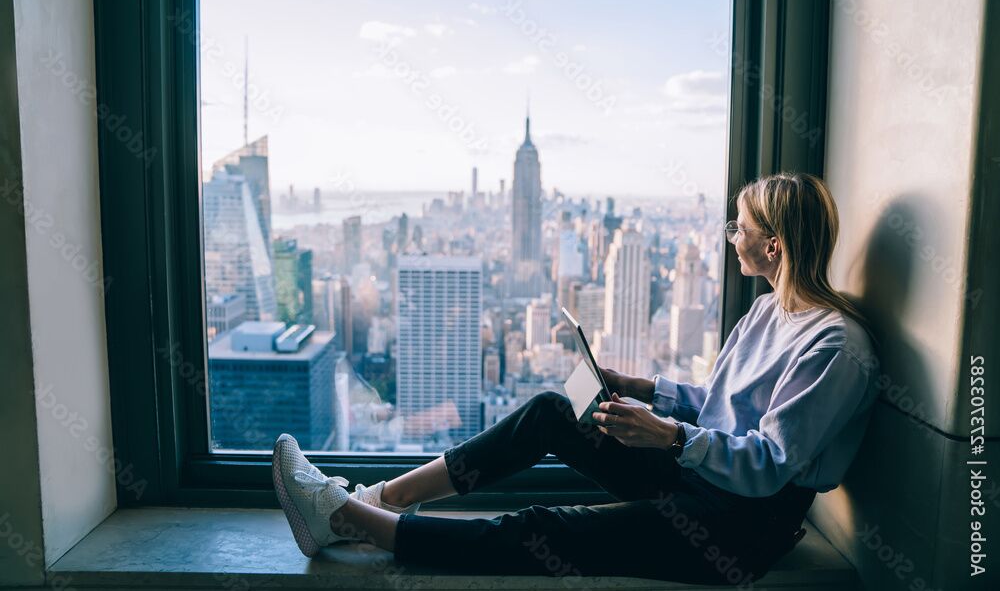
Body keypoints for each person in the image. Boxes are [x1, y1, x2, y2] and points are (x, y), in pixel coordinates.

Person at [271, 172, 881, 585]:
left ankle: (350, 521)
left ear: (772, 245)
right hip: (699, 478)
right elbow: (723, 405)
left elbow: (771, 462)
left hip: (739, 527)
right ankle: (382, 497)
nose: (730, 238)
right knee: (551, 409)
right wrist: (646, 391)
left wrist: (667, 437)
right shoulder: (769, 308)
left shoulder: (834, 345)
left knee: (547, 530)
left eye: (739, 228)